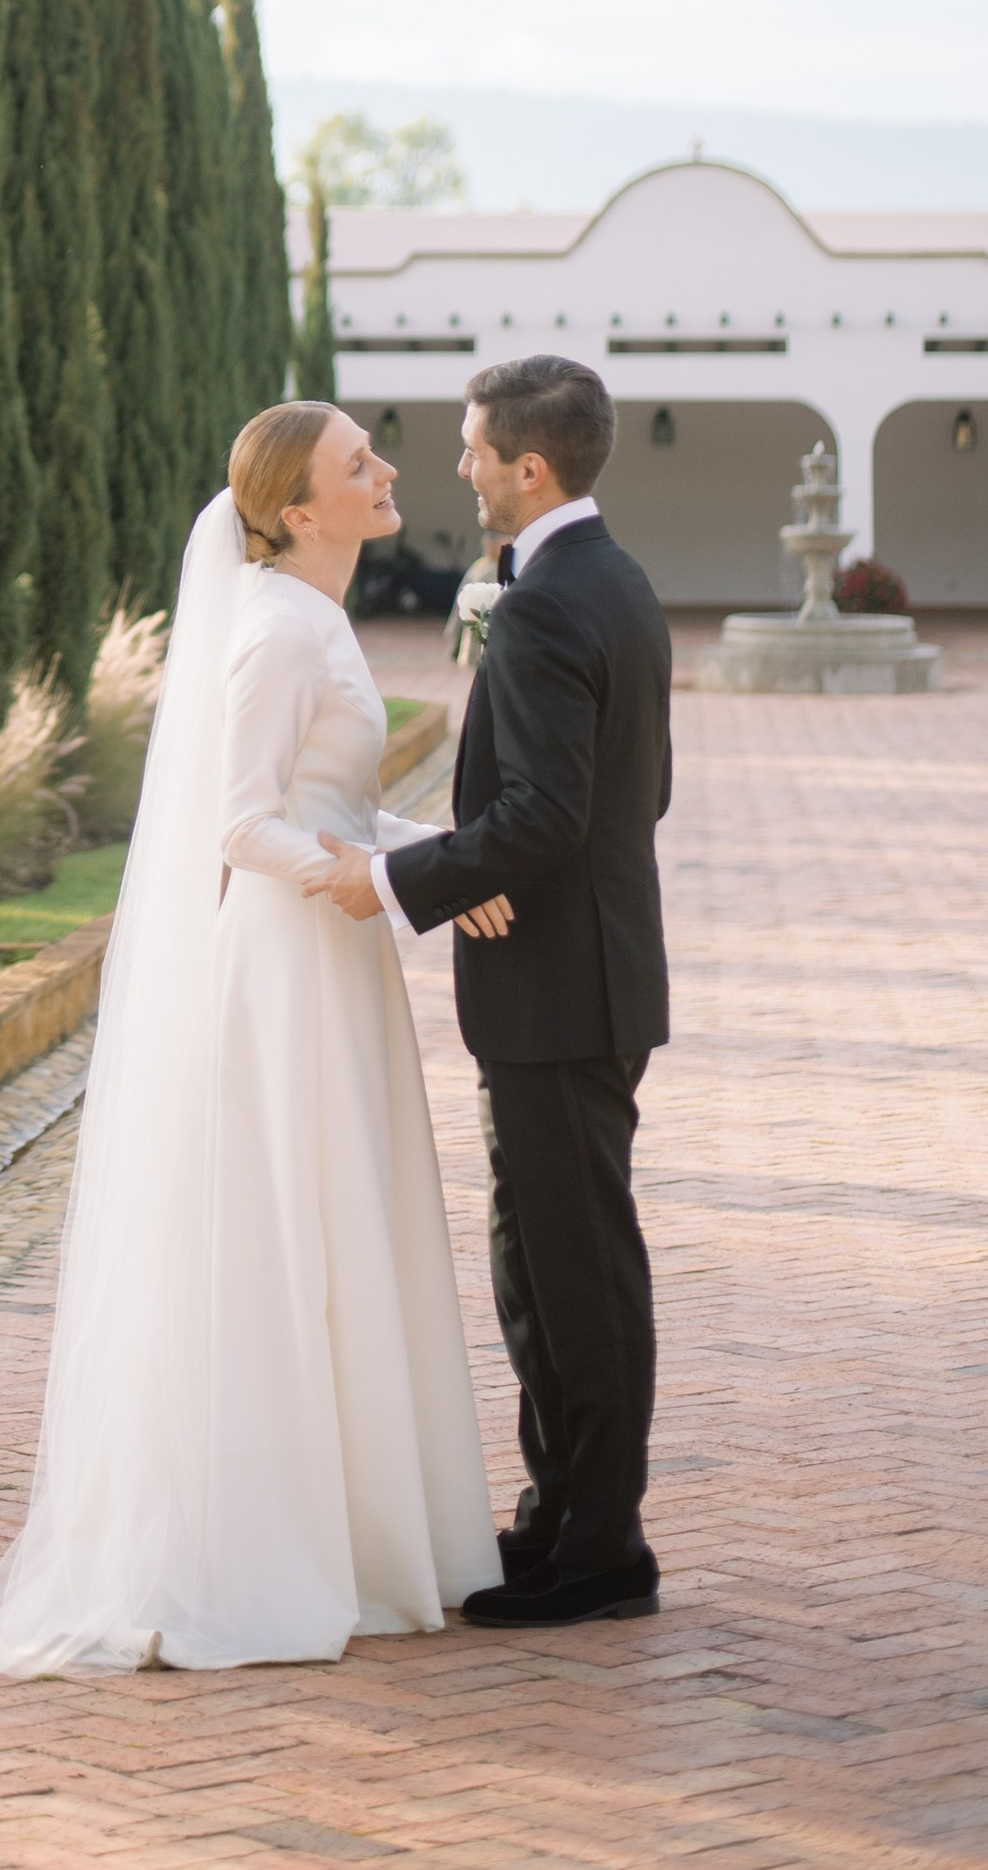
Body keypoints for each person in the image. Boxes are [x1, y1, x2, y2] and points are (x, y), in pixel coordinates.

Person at [0, 403, 503, 1676]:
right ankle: (269, 1550)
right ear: (297, 509)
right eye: (356, 463)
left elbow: (332, 804)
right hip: (290, 957)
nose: (385, 469)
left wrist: (429, 862)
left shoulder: (315, 614)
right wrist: (370, 876)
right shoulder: (275, 629)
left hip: (335, 945)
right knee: (290, 1222)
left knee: (342, 1217)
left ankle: (364, 1533)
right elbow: (241, 823)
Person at [309, 354, 671, 1631]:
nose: (458, 466)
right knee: (539, 1262)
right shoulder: (615, 580)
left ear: (530, 464)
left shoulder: (544, 604)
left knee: (576, 1275)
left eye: (472, 448)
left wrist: (395, 878)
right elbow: (637, 792)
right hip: (587, 974)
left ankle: (604, 1547)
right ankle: (553, 1516)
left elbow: (546, 814)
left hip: (560, 990)